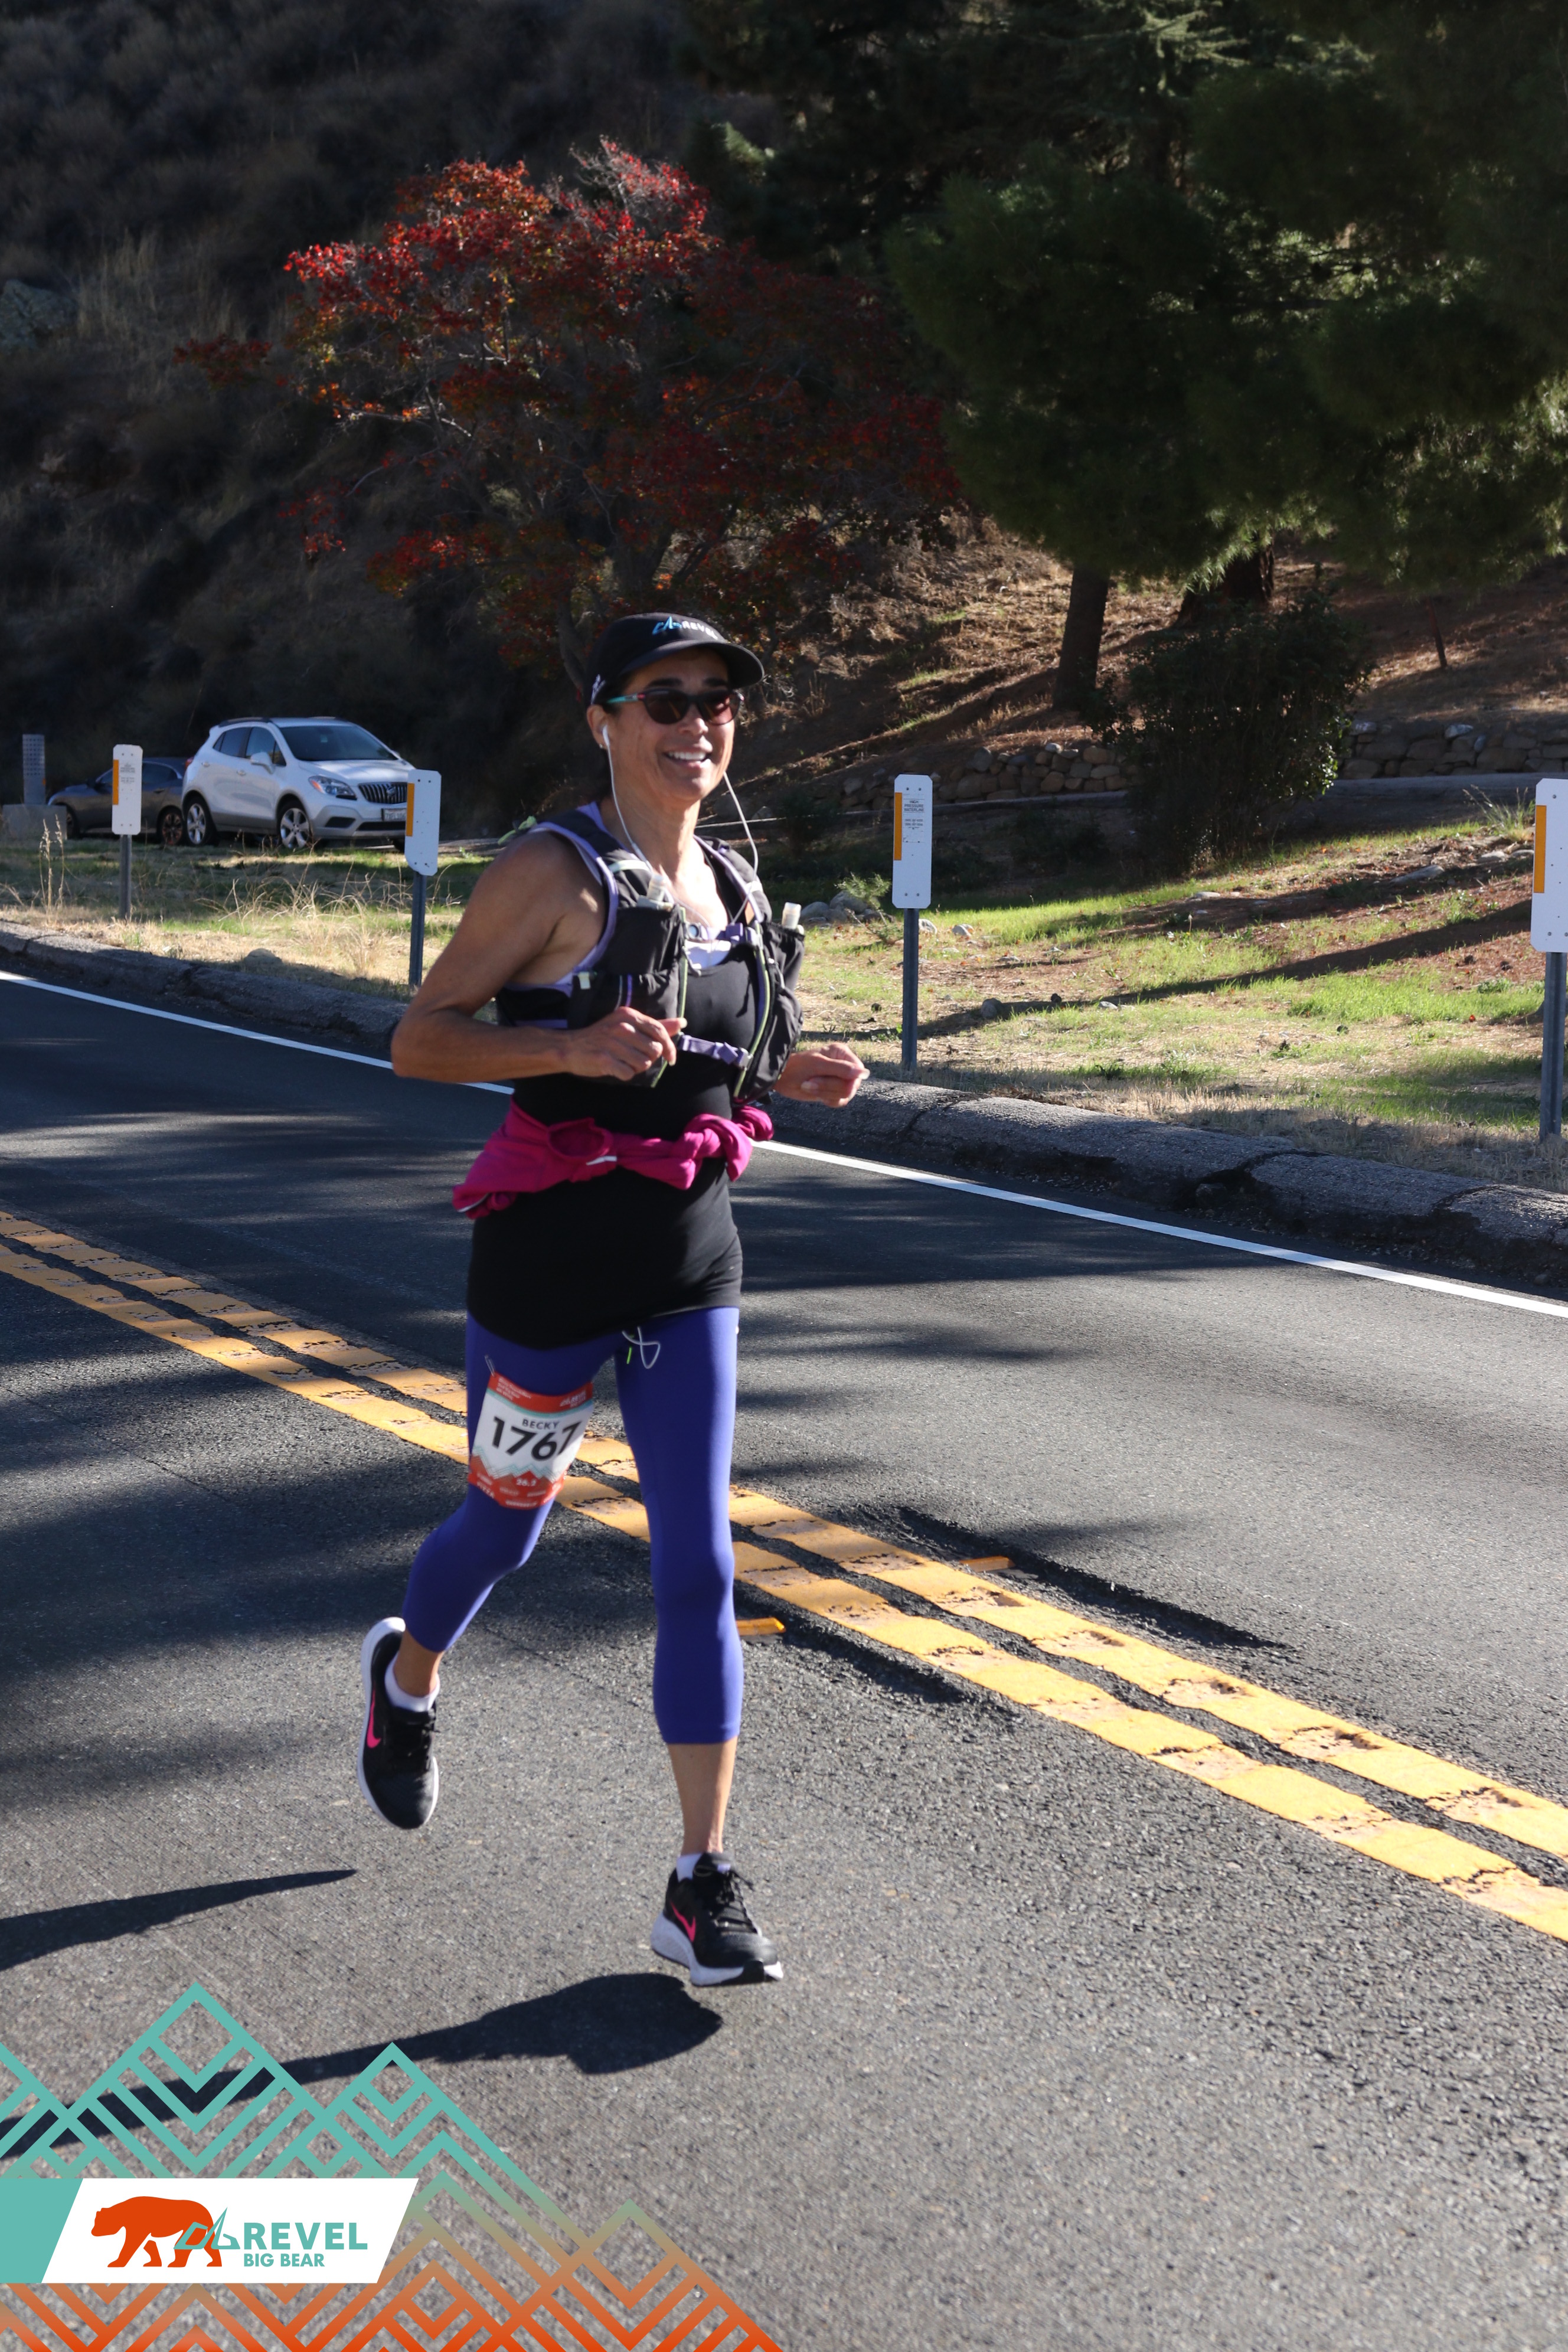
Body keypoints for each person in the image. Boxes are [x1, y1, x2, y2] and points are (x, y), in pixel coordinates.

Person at [358, 611, 867, 1985]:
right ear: (605, 720)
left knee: (697, 1567)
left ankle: (699, 1882)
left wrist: (786, 1072)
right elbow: (419, 1040)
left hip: (689, 1265)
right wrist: (568, 1048)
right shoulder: (547, 871)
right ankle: (407, 1678)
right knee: (503, 1529)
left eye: (716, 701)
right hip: (549, 1267)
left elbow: (705, 1053)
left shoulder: (733, 881)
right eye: (665, 699)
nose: (696, 722)